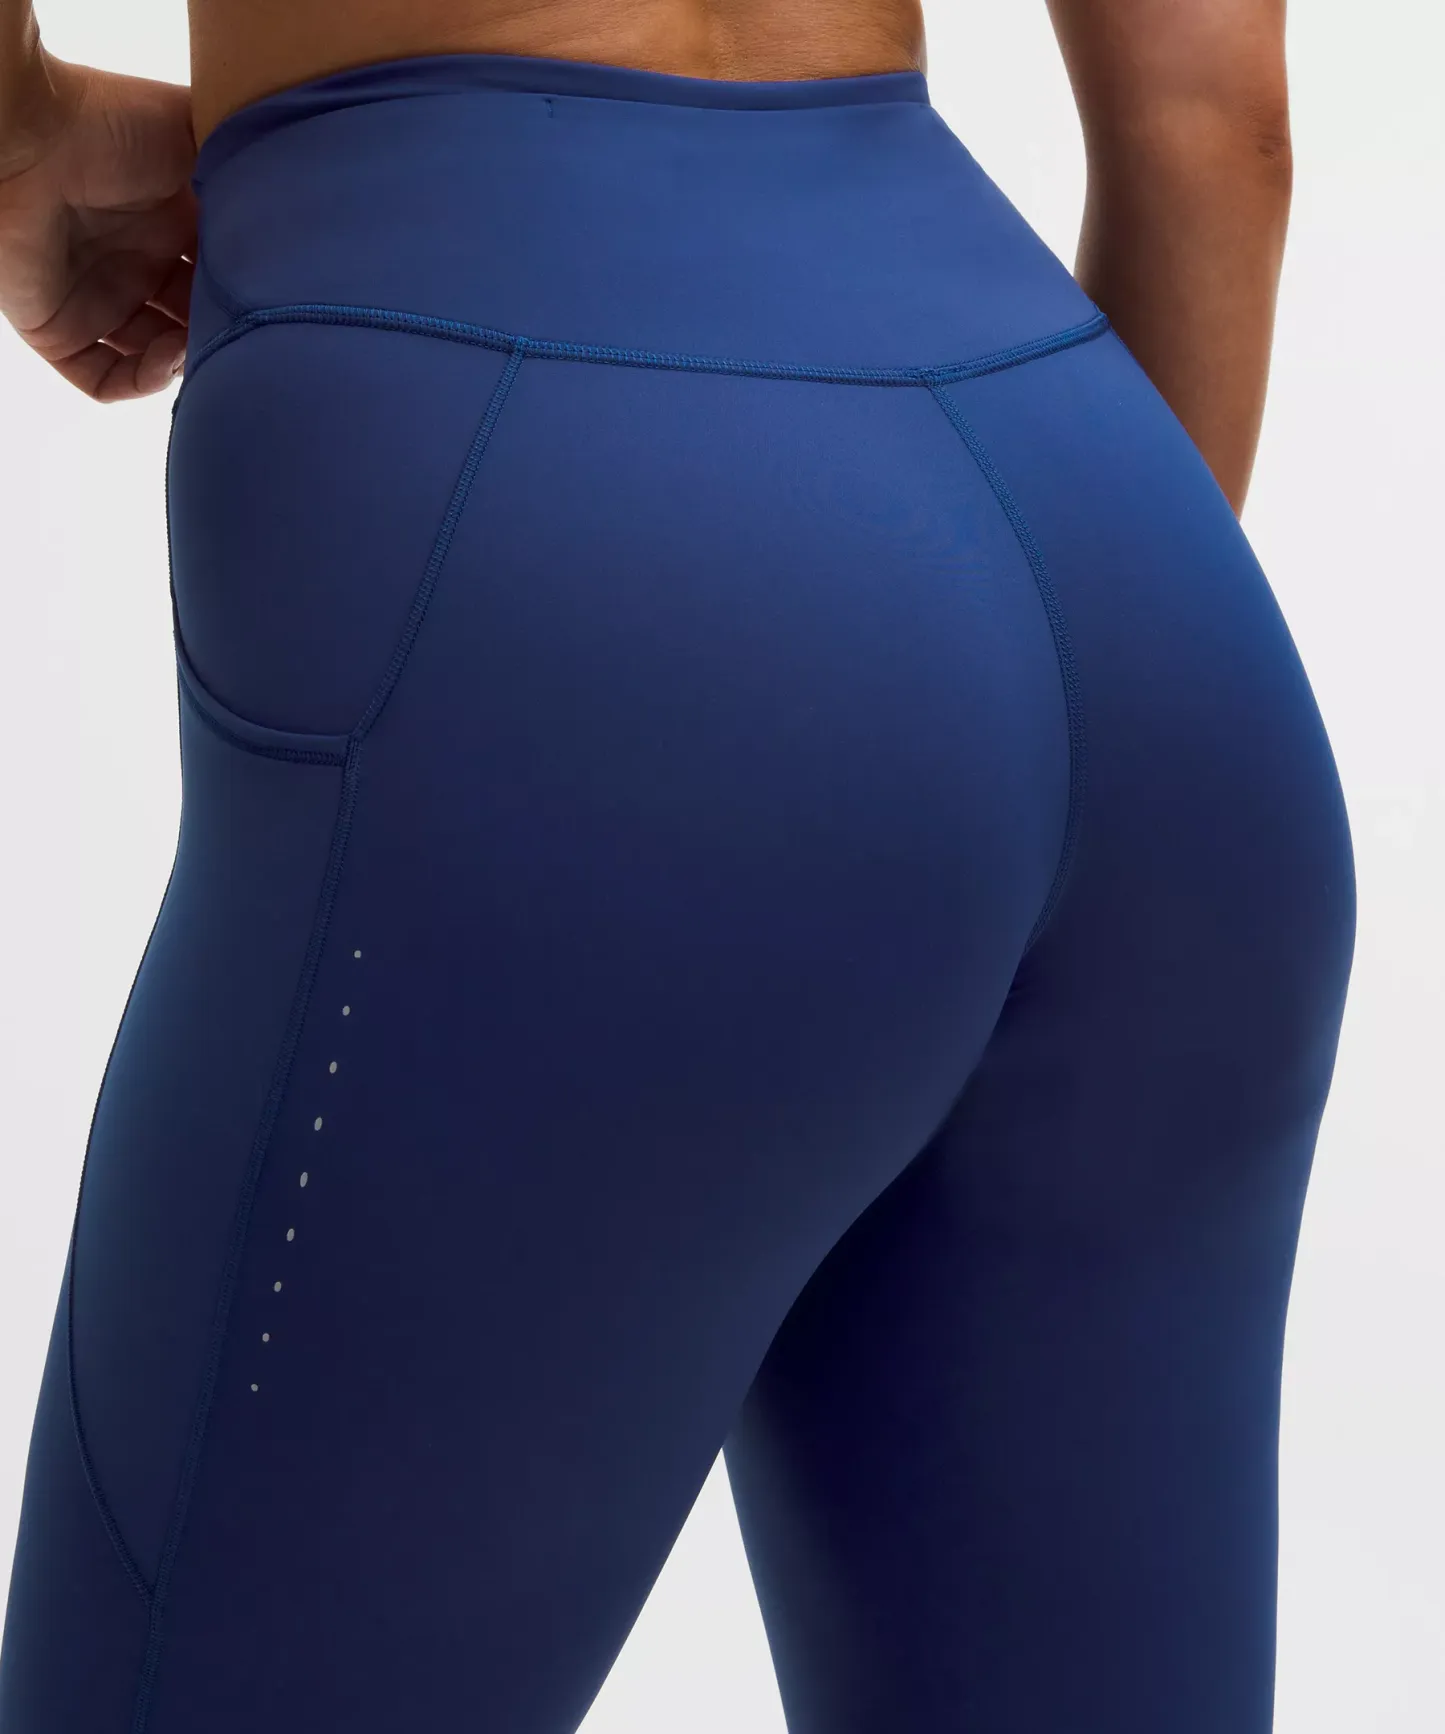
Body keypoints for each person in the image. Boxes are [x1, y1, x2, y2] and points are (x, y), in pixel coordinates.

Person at [0, 2, 1355, 1730]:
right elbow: (1218, 128)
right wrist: (964, 735)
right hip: (1137, 594)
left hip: (551, 512)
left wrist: (19, 129)